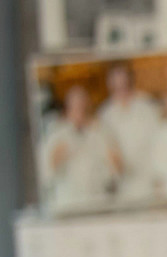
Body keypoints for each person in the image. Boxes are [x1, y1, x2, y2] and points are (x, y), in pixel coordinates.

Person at [39, 82, 115, 215]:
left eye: (82, 105)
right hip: (68, 203)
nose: (79, 110)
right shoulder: (56, 133)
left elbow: (113, 170)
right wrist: (58, 154)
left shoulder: (100, 131)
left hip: (98, 201)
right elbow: (47, 172)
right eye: (75, 106)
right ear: (68, 108)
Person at [98, 61, 161, 206]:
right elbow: (105, 151)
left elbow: (160, 142)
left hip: (151, 183)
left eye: (124, 83)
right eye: (116, 85)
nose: (121, 88)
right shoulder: (105, 114)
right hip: (122, 188)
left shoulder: (148, 106)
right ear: (110, 85)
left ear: (131, 80)